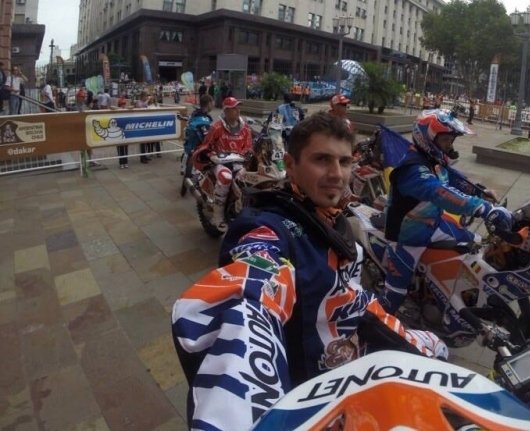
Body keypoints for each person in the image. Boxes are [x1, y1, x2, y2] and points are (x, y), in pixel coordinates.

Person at [172, 112, 447, 430]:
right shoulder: (270, 228)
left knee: (435, 352)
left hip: (354, 374)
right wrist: (239, 399)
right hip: (309, 403)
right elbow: (251, 288)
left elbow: (354, 300)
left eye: (344, 162)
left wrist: (415, 345)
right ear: (290, 165)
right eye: (321, 159)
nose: (337, 174)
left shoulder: (332, 219)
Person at [380, 109, 512, 312]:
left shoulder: (433, 161)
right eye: (445, 140)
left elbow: (452, 180)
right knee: (393, 299)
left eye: (451, 140)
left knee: (475, 246)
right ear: (427, 139)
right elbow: (440, 192)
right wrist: (482, 208)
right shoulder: (412, 170)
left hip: (433, 224)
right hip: (406, 238)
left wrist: (480, 192)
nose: (449, 146)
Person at [191, 96, 253, 231]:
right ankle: (217, 217)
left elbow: (248, 146)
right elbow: (206, 145)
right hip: (221, 164)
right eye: (233, 108)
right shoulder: (216, 127)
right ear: (226, 111)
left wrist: (247, 154)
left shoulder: (246, 128)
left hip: (239, 164)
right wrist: (213, 155)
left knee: (248, 180)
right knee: (226, 177)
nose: (237, 110)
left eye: (238, 107)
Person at [180, 95, 214, 194]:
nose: (213, 105)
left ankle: (184, 169)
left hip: (189, 145)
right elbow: (207, 137)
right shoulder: (205, 119)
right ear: (208, 104)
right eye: (212, 102)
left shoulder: (195, 113)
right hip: (199, 148)